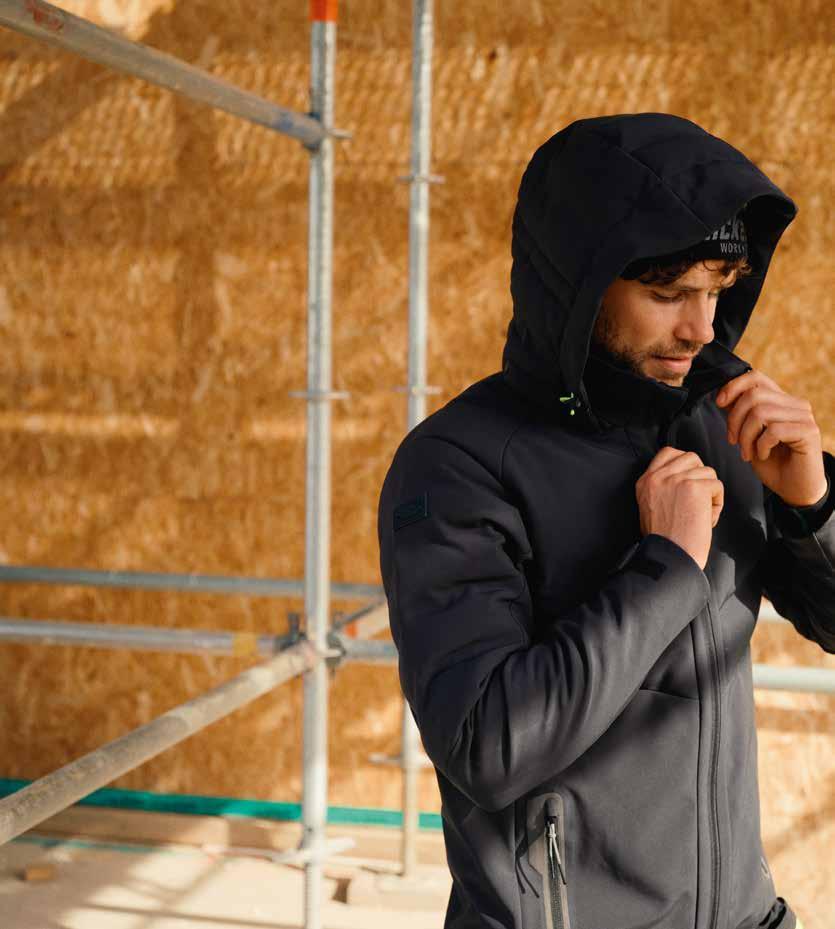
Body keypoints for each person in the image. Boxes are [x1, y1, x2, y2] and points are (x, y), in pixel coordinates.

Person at [376, 113, 833, 929]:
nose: (700, 328)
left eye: (714, 292)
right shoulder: (458, 465)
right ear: (578, 284)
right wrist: (663, 567)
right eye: (667, 294)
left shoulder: (719, 421)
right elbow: (488, 746)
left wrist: (813, 504)